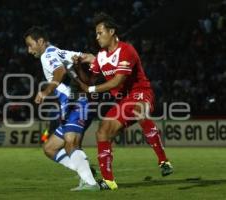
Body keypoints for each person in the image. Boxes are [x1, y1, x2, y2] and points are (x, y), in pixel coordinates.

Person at [73, 13, 173, 190]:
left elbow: (117, 81)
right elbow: (89, 82)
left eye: (99, 32)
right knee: (103, 131)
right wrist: (78, 67)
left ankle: (163, 161)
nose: (97, 37)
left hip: (141, 92)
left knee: (138, 110)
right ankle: (108, 181)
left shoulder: (127, 50)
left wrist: (91, 89)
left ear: (111, 32)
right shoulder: (101, 56)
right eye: (95, 34)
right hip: (123, 101)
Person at [23, 26, 99, 191]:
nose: (29, 50)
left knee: (71, 143)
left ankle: (90, 183)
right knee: (50, 149)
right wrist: (92, 60)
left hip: (77, 103)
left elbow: (60, 71)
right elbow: (90, 57)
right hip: (75, 103)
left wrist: (46, 91)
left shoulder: (47, 55)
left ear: (41, 41)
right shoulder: (61, 52)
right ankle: (85, 172)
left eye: (30, 45)